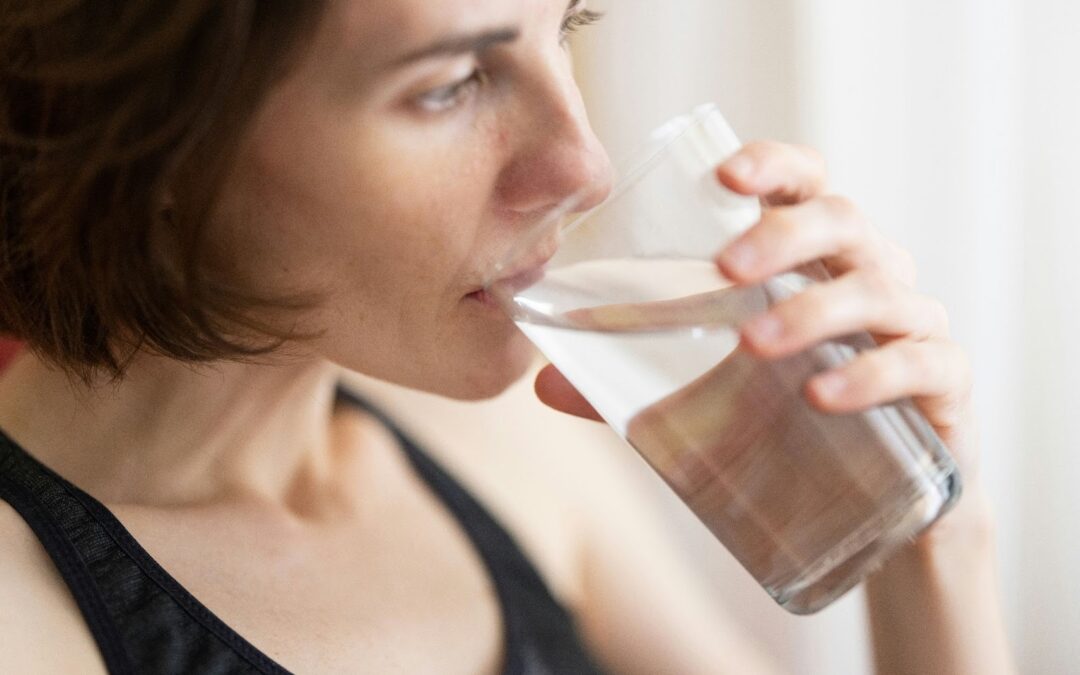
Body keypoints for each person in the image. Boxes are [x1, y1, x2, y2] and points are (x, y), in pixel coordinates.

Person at [0, 1, 1015, 673]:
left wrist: (933, 537)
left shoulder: (504, 446)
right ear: (145, 137)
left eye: (562, 25)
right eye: (448, 84)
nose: (585, 166)